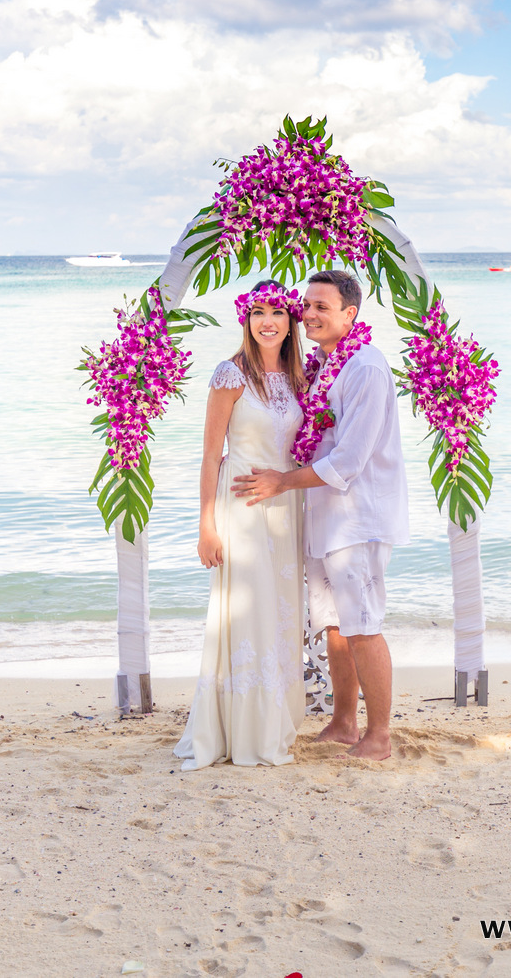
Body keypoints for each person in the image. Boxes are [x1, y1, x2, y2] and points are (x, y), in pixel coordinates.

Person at [232, 269, 409, 761]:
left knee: (363, 624)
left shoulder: (366, 368)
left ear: (350, 314)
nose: (308, 314)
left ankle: (379, 736)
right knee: (334, 624)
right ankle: (344, 721)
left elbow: (351, 459)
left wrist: (280, 481)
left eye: (321, 307)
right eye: (306, 306)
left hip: (360, 518)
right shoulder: (324, 364)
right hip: (324, 517)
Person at [174, 280, 308, 769]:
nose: (266, 321)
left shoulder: (298, 377)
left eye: (276, 312)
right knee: (247, 616)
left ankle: (273, 722)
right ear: (245, 320)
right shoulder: (230, 374)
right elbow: (210, 456)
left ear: (292, 321)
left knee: (279, 614)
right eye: (257, 312)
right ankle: (239, 731)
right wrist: (206, 526)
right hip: (241, 508)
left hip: (284, 510)